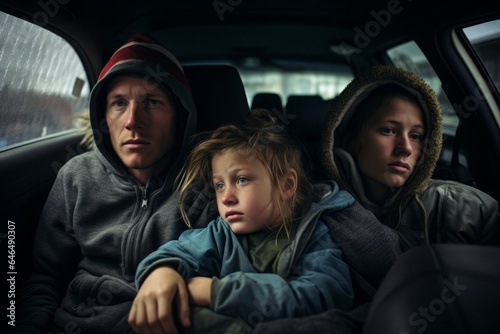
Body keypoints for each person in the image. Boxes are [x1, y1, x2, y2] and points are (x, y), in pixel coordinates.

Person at [251, 65, 498, 334]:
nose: (405, 148)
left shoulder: (464, 208)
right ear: (352, 139)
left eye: (416, 136)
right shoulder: (309, 209)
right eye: (389, 130)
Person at [15, 33, 217, 333]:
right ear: (104, 117)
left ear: (180, 115)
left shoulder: (210, 181)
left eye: (152, 102)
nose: (133, 120)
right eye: (119, 103)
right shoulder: (76, 177)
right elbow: (45, 279)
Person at [128, 108, 356, 333]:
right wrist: (162, 271)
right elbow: (178, 252)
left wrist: (214, 292)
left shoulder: (312, 234)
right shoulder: (220, 234)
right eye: (219, 185)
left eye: (242, 179)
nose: (226, 197)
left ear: (287, 185)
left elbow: (326, 296)